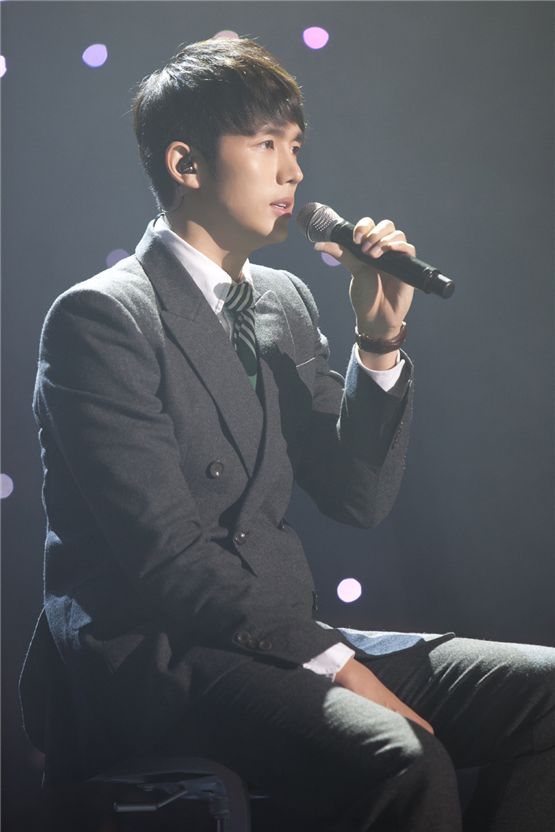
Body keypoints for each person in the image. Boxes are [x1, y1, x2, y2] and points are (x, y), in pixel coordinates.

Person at [20, 37, 554, 831]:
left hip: (274, 631)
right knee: (399, 753)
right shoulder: (101, 317)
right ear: (186, 164)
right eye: (265, 144)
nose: (293, 172)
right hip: (158, 655)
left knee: (544, 691)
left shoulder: (283, 298)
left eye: (295, 146)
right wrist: (335, 665)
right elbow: (168, 558)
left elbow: (356, 498)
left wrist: (376, 343)